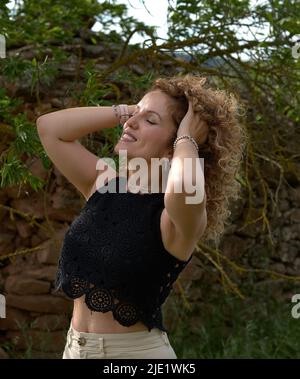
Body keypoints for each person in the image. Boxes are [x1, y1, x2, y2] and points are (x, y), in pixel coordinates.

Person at [36, 73, 245, 359]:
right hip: (75, 349)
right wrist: (129, 111)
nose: (131, 123)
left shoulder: (179, 215)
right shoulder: (106, 185)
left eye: (151, 121)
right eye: (136, 113)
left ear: (175, 148)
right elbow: (49, 128)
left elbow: (182, 186)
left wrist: (187, 138)